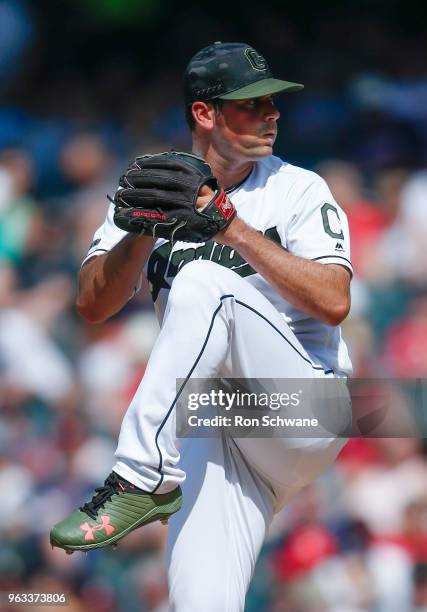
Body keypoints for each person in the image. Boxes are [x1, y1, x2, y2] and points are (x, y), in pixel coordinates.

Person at [51, 42, 353, 611]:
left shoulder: (298, 187)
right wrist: (141, 229)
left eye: (273, 102)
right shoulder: (155, 180)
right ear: (205, 113)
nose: (272, 113)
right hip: (214, 423)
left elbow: (335, 301)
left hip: (307, 406)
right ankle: (152, 476)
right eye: (252, 103)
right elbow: (92, 304)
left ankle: (140, 475)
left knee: (202, 283)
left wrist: (228, 225)